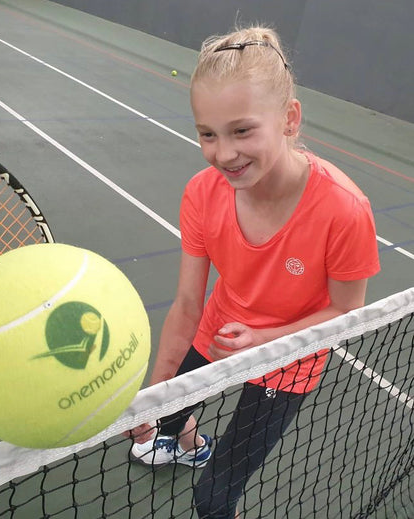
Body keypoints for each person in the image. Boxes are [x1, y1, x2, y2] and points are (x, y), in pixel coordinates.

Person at [127, 25, 381, 519]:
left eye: (242, 130)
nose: (223, 153)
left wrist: (271, 337)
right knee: (165, 417)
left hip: (290, 362)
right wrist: (155, 394)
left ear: (289, 119)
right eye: (207, 134)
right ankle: (187, 436)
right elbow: (186, 304)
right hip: (218, 329)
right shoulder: (203, 193)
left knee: (212, 500)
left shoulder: (345, 210)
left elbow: (348, 312)